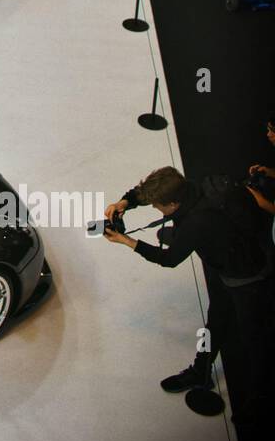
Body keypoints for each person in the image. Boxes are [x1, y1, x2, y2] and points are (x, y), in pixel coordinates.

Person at [104, 167, 273, 424]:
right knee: (214, 324)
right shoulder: (187, 186)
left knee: (255, 342)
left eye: (158, 207)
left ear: (173, 203)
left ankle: (259, 401)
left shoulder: (197, 221)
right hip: (226, 266)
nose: (156, 210)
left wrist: (128, 242)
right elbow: (145, 193)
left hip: (245, 278)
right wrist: (125, 201)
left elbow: (169, 259)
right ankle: (201, 370)